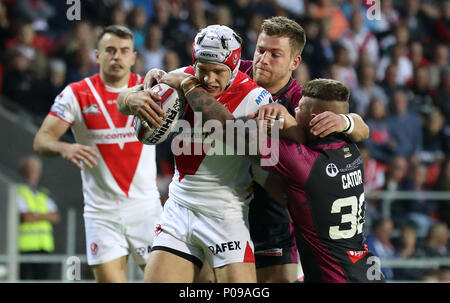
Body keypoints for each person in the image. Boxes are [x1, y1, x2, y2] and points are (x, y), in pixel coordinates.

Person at [125, 19, 369, 283]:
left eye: (275, 54)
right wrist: (139, 92)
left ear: (294, 63)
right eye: (260, 50)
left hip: (269, 221)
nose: (263, 59)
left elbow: (356, 127)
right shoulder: (227, 69)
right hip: (210, 204)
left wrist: (348, 121)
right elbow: (191, 73)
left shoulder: (299, 101)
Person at [158, 76, 382, 282]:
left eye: (300, 108)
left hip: (335, 277)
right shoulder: (351, 151)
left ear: (316, 120)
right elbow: (360, 128)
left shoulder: (301, 163)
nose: (293, 109)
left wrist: (188, 85)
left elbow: (225, 127)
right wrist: (348, 121)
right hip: (366, 268)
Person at [33, 25, 162, 283]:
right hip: (102, 213)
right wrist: (64, 146)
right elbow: (41, 140)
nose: (117, 57)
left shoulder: (150, 91)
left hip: (146, 209)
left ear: (134, 57)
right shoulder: (76, 94)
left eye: (124, 51)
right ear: (97, 55)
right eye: (110, 50)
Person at [17, 155, 60, 280]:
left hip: (44, 246)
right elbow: (26, 217)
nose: (32, 173)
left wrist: (34, 215)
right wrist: (45, 215)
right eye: (29, 169)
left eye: (35, 170)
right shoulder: (18, 191)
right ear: (22, 172)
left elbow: (56, 216)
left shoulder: (43, 193)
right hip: (25, 247)